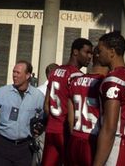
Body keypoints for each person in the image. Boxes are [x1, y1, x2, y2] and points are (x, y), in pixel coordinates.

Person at [0, 60, 46, 166]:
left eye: (18, 73)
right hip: (3, 145)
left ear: (28, 75)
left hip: (25, 148)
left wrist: (40, 126)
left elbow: (44, 116)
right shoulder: (3, 92)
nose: (14, 75)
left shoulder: (38, 96)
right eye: (13, 72)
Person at [93, 31, 125, 166]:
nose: (97, 54)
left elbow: (110, 127)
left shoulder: (113, 79)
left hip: (118, 146)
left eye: (100, 50)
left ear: (112, 52)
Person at [43, 38, 93, 166]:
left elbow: (46, 105)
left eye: (91, 53)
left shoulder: (55, 71)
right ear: (75, 52)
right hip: (65, 132)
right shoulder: (77, 76)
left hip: (51, 130)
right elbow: (77, 110)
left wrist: (53, 122)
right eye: (87, 52)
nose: (90, 56)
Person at [66, 46, 109, 166]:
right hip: (93, 140)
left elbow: (70, 120)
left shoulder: (74, 80)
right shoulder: (105, 83)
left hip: (75, 137)